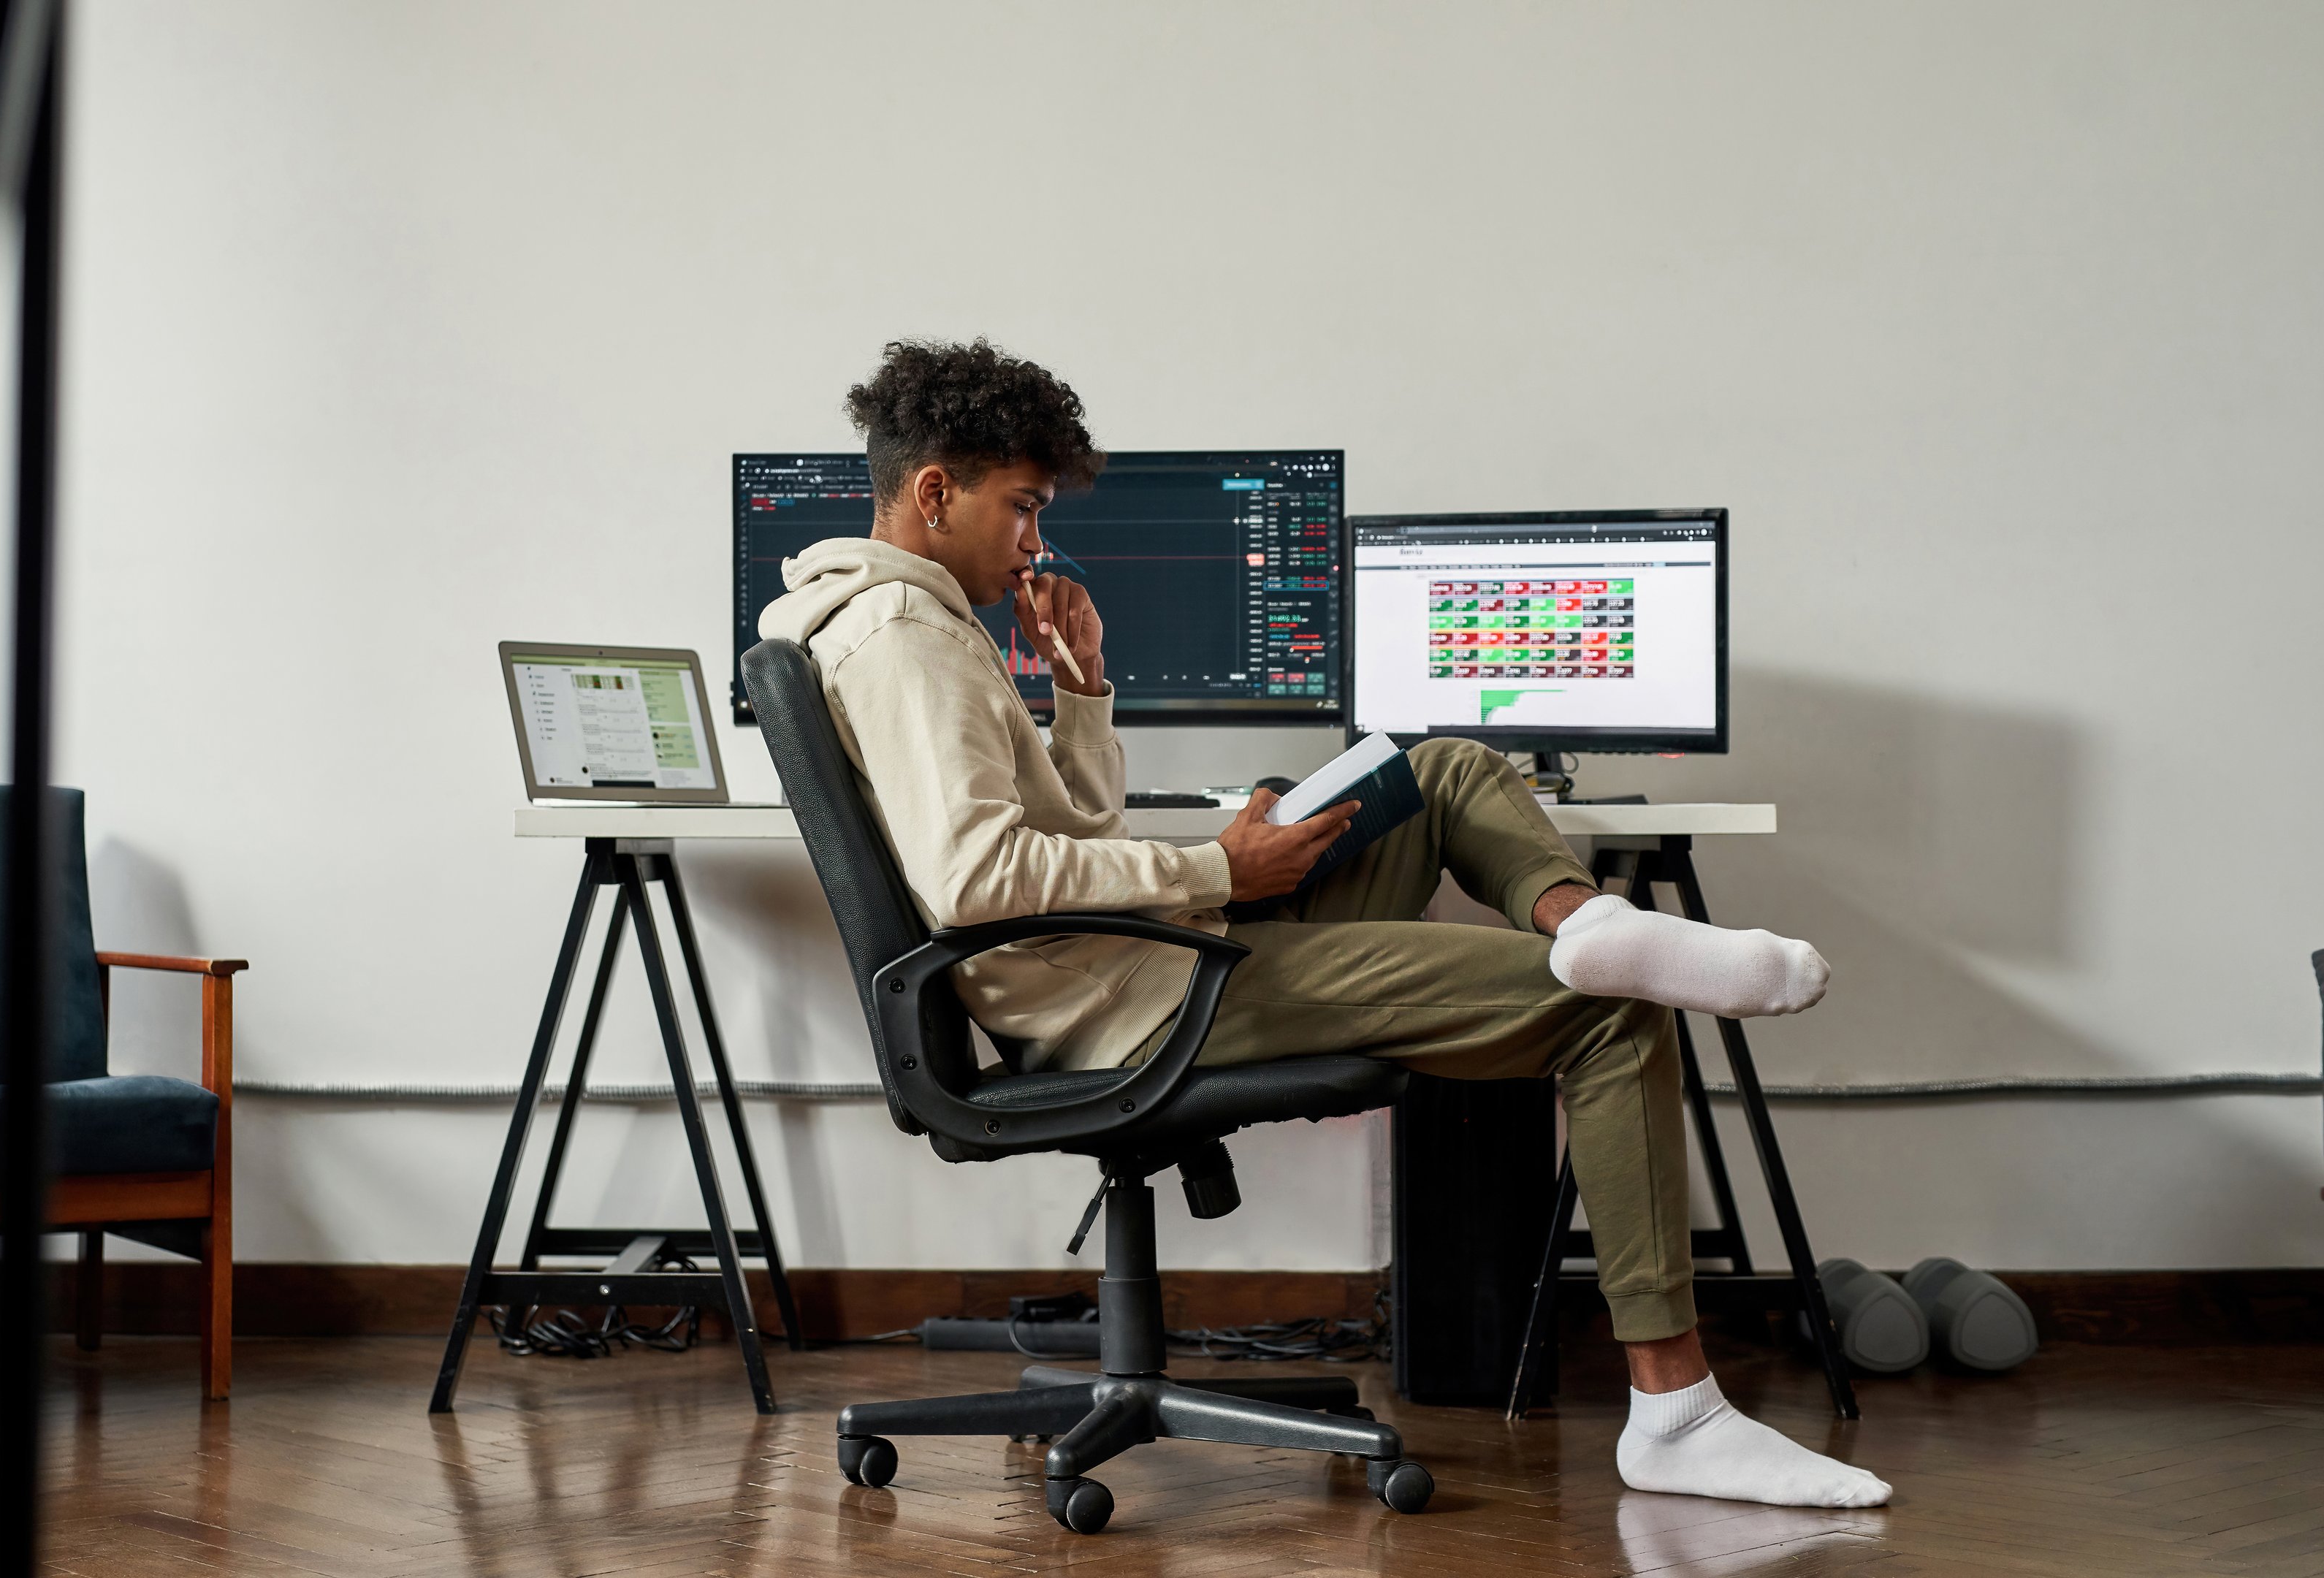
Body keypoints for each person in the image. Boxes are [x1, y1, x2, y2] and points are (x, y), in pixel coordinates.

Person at [755, 338, 1889, 1510]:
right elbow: (974, 879)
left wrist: (1082, 689)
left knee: (1442, 767)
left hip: (1132, 961)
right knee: (1610, 1019)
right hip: (1137, 1001)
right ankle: (1677, 1418)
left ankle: (1583, 916)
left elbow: (1070, 826)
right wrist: (1214, 869)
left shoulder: (907, 622)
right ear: (934, 490)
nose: (1036, 540)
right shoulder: (904, 637)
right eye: (1022, 507)